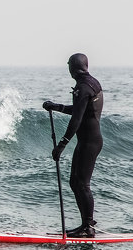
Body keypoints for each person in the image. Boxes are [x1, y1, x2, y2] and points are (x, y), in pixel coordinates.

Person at [42, 53, 104, 238]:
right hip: (86, 141)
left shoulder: (84, 87)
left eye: (69, 65)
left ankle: (88, 227)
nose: (68, 68)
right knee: (75, 183)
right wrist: (57, 107)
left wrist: (62, 144)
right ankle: (85, 225)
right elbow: (78, 110)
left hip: (90, 142)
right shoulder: (90, 83)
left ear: (73, 67)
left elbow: (77, 119)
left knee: (82, 184)